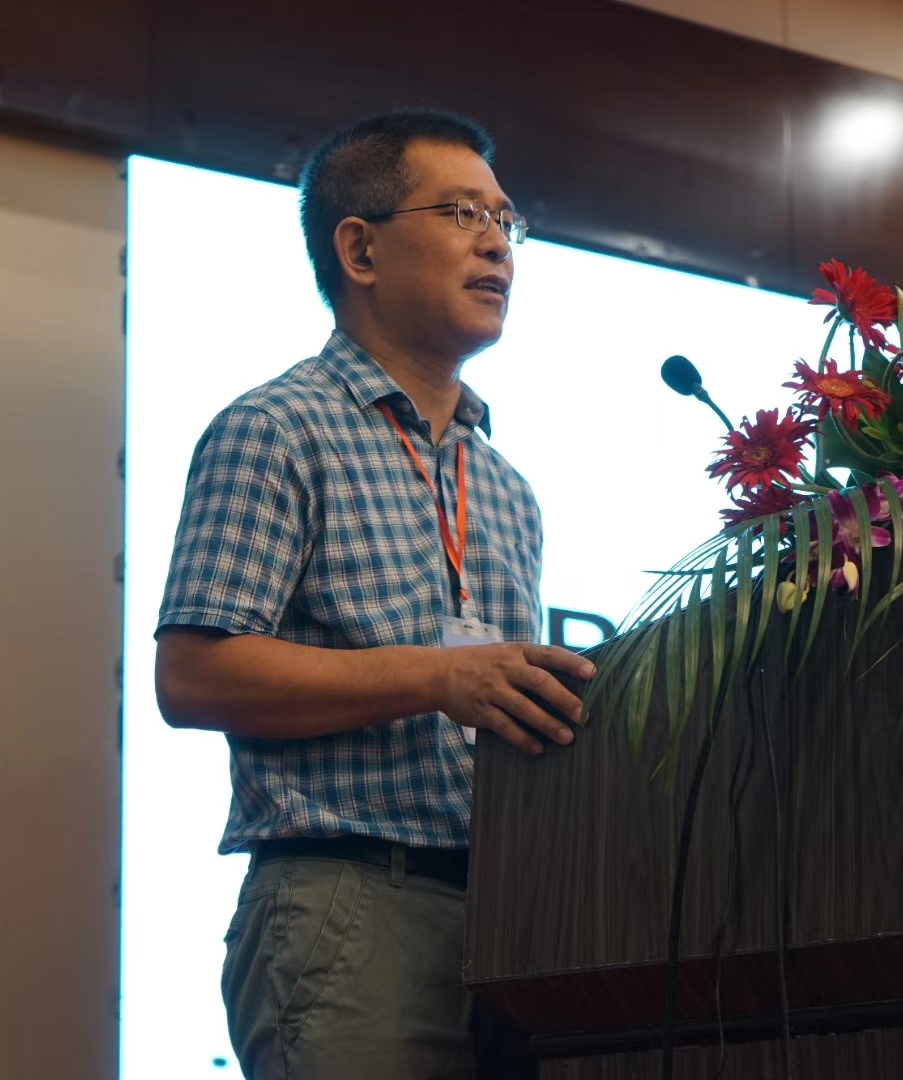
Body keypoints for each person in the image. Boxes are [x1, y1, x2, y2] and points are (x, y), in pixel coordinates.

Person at [154, 109, 593, 1079]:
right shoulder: (276, 429)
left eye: (508, 221)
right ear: (360, 249)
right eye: (464, 213)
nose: (498, 244)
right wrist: (437, 678)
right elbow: (192, 678)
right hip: (352, 905)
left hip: (513, 924)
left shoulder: (506, 488)